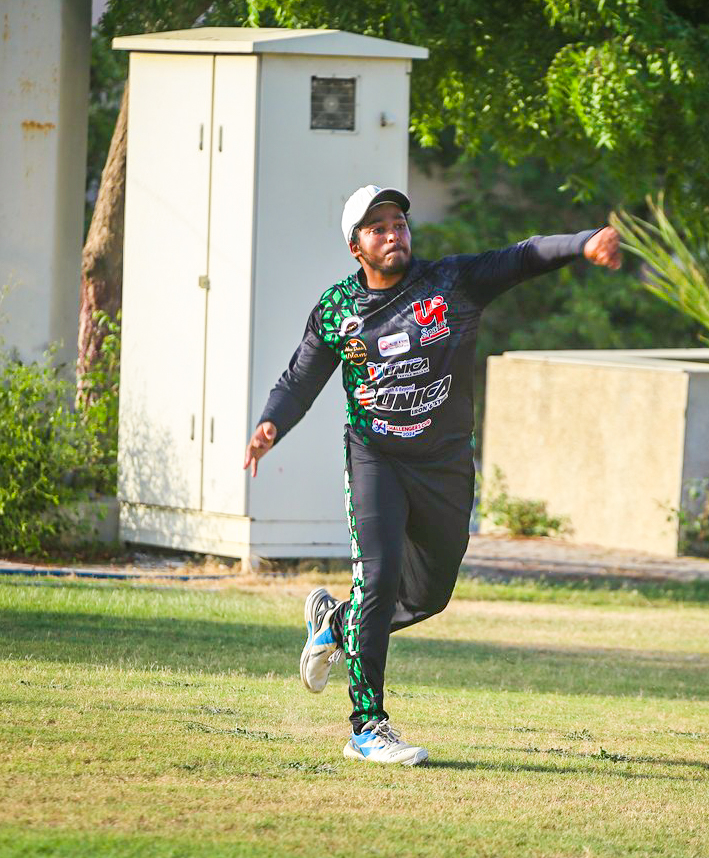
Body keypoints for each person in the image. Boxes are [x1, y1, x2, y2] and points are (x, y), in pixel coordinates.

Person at [243, 184, 621, 766]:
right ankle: (367, 728)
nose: (393, 235)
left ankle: (336, 624)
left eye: (399, 223)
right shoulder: (338, 309)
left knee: (428, 595)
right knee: (378, 578)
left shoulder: (451, 283)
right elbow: (300, 379)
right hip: (375, 457)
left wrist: (583, 241)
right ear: (355, 246)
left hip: (444, 463)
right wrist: (271, 423)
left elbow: (522, 256)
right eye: (377, 228)